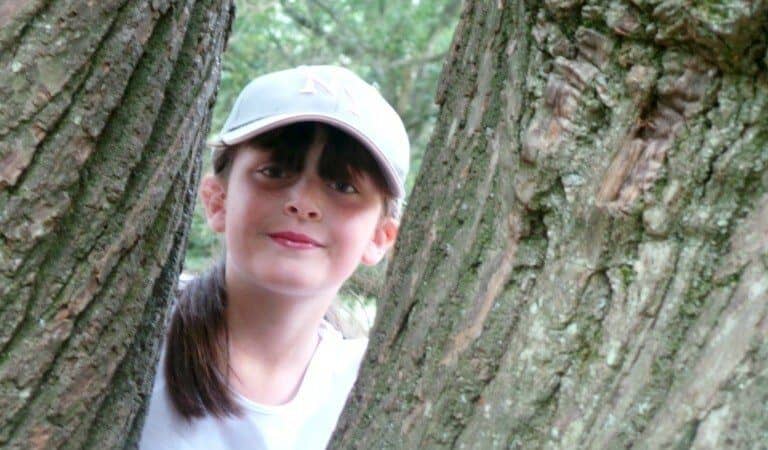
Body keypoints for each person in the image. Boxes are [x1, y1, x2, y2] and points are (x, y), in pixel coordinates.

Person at [139, 65, 410, 450]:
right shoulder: (136, 334)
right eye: (275, 170)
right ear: (218, 201)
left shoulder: (377, 387)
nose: (303, 203)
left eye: (343, 185)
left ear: (380, 238)